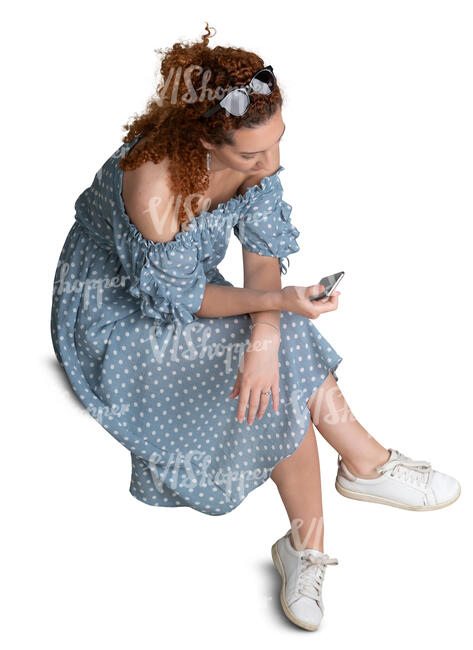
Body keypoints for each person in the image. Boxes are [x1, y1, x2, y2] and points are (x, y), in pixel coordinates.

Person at [50, 23, 461, 632]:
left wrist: (266, 338)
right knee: (278, 365)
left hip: (191, 293)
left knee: (277, 354)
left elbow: (262, 253)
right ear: (203, 143)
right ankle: (356, 478)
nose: (271, 164)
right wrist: (280, 310)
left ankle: (319, 529)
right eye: (251, 155)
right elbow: (182, 300)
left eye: (277, 143)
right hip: (117, 310)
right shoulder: (154, 189)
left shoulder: (253, 158)